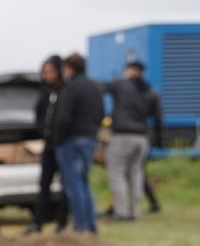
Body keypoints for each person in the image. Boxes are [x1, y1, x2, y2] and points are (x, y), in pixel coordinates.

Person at [104, 61, 164, 222]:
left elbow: (101, 88)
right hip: (142, 138)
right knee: (136, 173)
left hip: (122, 136)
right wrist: (158, 140)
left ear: (128, 70)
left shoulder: (121, 85)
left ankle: (121, 212)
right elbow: (158, 118)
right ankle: (134, 211)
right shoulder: (151, 91)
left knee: (117, 173)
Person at [50, 54, 103, 235]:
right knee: (84, 183)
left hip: (70, 141)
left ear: (70, 68)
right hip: (90, 139)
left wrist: (57, 139)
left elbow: (63, 117)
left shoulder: (70, 88)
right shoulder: (95, 87)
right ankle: (91, 225)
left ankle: (80, 226)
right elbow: (101, 113)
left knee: (74, 185)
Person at [23, 57, 66, 235]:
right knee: (44, 184)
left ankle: (62, 224)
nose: (46, 75)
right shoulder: (44, 92)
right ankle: (37, 224)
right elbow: (38, 114)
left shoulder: (66, 91)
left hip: (63, 144)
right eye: (44, 72)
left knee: (66, 186)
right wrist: (42, 131)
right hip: (48, 144)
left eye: (50, 72)